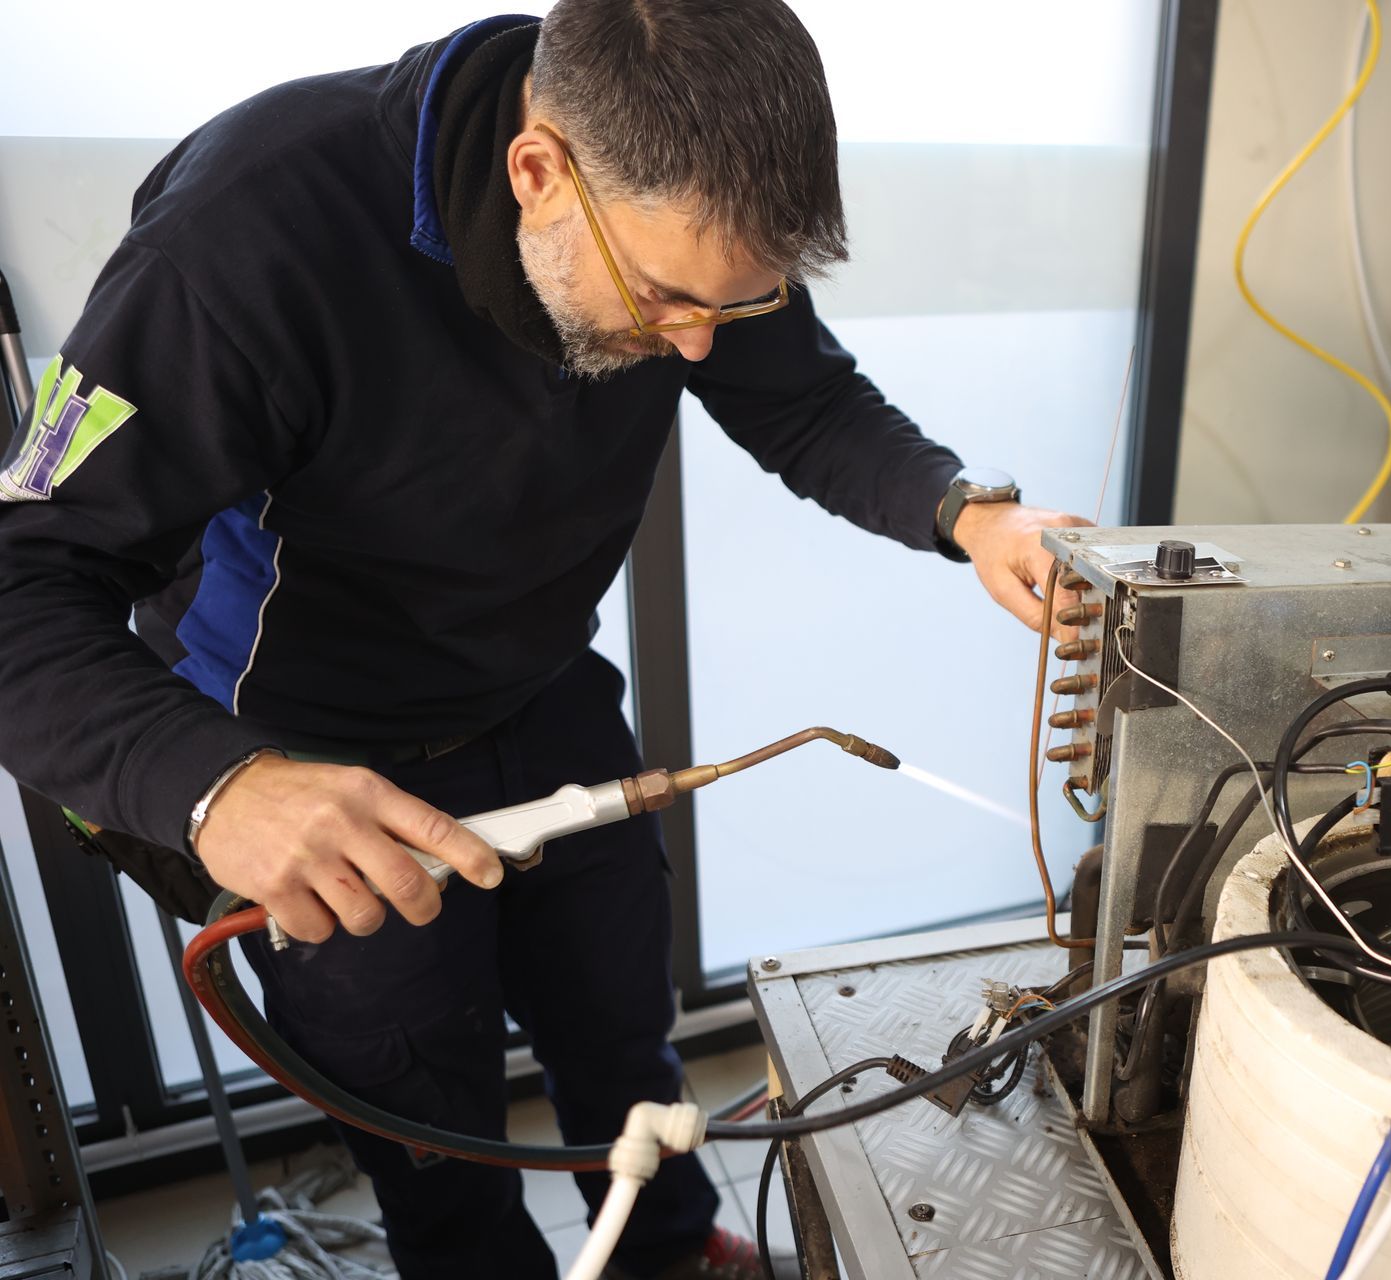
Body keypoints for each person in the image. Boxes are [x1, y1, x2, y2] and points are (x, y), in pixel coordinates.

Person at [0, 3, 1086, 1276]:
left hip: (544, 690)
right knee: (430, 1121)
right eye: (666, 301)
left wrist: (969, 513)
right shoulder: (239, 240)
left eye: (730, 308)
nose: (695, 345)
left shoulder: (679, 225)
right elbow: (24, 584)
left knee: (621, 1024)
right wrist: (217, 785)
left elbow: (800, 398)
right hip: (322, 753)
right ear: (536, 171)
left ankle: (666, 1251)